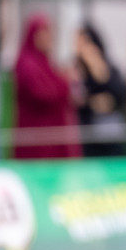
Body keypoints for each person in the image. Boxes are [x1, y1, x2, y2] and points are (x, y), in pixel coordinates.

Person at [13, 15, 81, 160]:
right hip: (37, 139)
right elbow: (42, 94)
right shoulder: (26, 63)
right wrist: (65, 82)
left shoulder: (46, 62)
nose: (48, 37)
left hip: (52, 138)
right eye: (43, 33)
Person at [75, 24, 126, 158]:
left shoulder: (107, 66)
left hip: (109, 132)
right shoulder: (76, 69)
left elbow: (119, 93)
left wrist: (98, 67)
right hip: (87, 132)